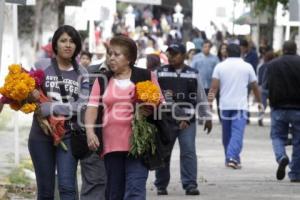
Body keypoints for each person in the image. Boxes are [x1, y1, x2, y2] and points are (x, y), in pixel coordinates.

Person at [84, 35, 163, 200]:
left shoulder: (146, 76)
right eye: (110, 54)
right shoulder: (103, 79)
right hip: (111, 146)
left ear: (129, 58)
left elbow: (160, 103)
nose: (111, 58)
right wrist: (90, 132)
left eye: (116, 54)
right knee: (115, 192)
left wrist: (150, 108)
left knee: (135, 190)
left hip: (138, 144)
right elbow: (91, 108)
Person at [29, 25, 89, 199]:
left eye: (72, 41)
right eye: (63, 41)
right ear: (55, 44)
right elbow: (26, 97)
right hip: (41, 133)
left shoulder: (82, 73)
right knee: (45, 190)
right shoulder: (41, 66)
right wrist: (30, 96)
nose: (68, 45)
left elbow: (80, 106)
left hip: (69, 134)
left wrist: (51, 107)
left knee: (67, 186)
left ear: (77, 46)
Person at [154, 43, 212, 196]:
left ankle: (190, 184)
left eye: (175, 54)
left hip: (188, 121)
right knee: (164, 153)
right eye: (169, 54)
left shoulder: (193, 73)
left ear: (184, 55)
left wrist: (206, 116)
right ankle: (161, 185)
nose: (171, 57)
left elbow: (200, 95)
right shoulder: (159, 73)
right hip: (166, 121)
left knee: (188, 152)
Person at [208, 43, 262, 169]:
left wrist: (208, 104)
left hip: (224, 106)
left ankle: (231, 158)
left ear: (226, 53)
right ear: (241, 52)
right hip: (240, 106)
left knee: (226, 134)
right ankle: (232, 157)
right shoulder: (247, 66)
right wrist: (259, 102)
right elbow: (255, 87)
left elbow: (214, 88)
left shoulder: (220, 66)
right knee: (237, 133)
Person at [263, 40, 300, 182]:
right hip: (298, 108)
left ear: (283, 50)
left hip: (278, 107)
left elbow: (265, 87)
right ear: (296, 49)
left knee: (277, 136)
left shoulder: (272, 65)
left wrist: (263, 104)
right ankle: (296, 173)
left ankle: (281, 157)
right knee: (298, 141)